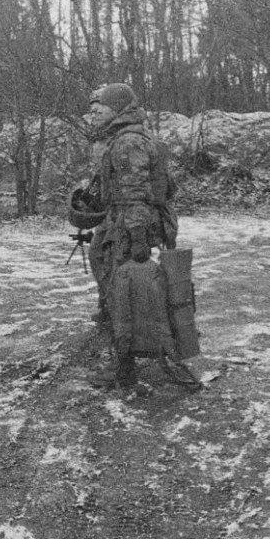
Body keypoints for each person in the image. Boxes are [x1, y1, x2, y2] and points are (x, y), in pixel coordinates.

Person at [84, 82, 179, 389]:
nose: (94, 112)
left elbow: (136, 193)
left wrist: (137, 236)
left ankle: (124, 365)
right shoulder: (125, 138)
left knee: (121, 291)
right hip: (121, 221)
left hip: (129, 225)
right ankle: (121, 342)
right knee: (106, 271)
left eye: (101, 107)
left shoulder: (128, 142)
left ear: (118, 109)